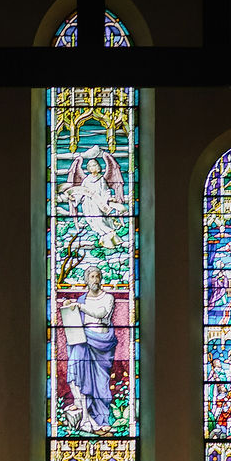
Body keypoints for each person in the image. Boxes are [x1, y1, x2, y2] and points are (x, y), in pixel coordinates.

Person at [62, 266, 118, 433]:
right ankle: (86, 416)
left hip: (102, 344)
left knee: (101, 383)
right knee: (78, 373)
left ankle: (102, 419)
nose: (95, 279)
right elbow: (72, 315)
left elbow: (101, 313)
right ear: (86, 280)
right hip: (83, 340)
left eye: (97, 276)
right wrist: (69, 305)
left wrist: (80, 306)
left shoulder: (108, 298)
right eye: (91, 276)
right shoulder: (82, 299)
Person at [62, 147, 126, 249]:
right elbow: (81, 191)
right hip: (88, 204)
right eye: (90, 166)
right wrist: (74, 198)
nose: (92, 168)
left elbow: (106, 191)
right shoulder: (86, 180)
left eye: (94, 165)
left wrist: (108, 199)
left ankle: (111, 236)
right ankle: (105, 238)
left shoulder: (101, 179)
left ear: (98, 167)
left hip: (99, 204)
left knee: (100, 220)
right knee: (91, 221)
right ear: (88, 168)